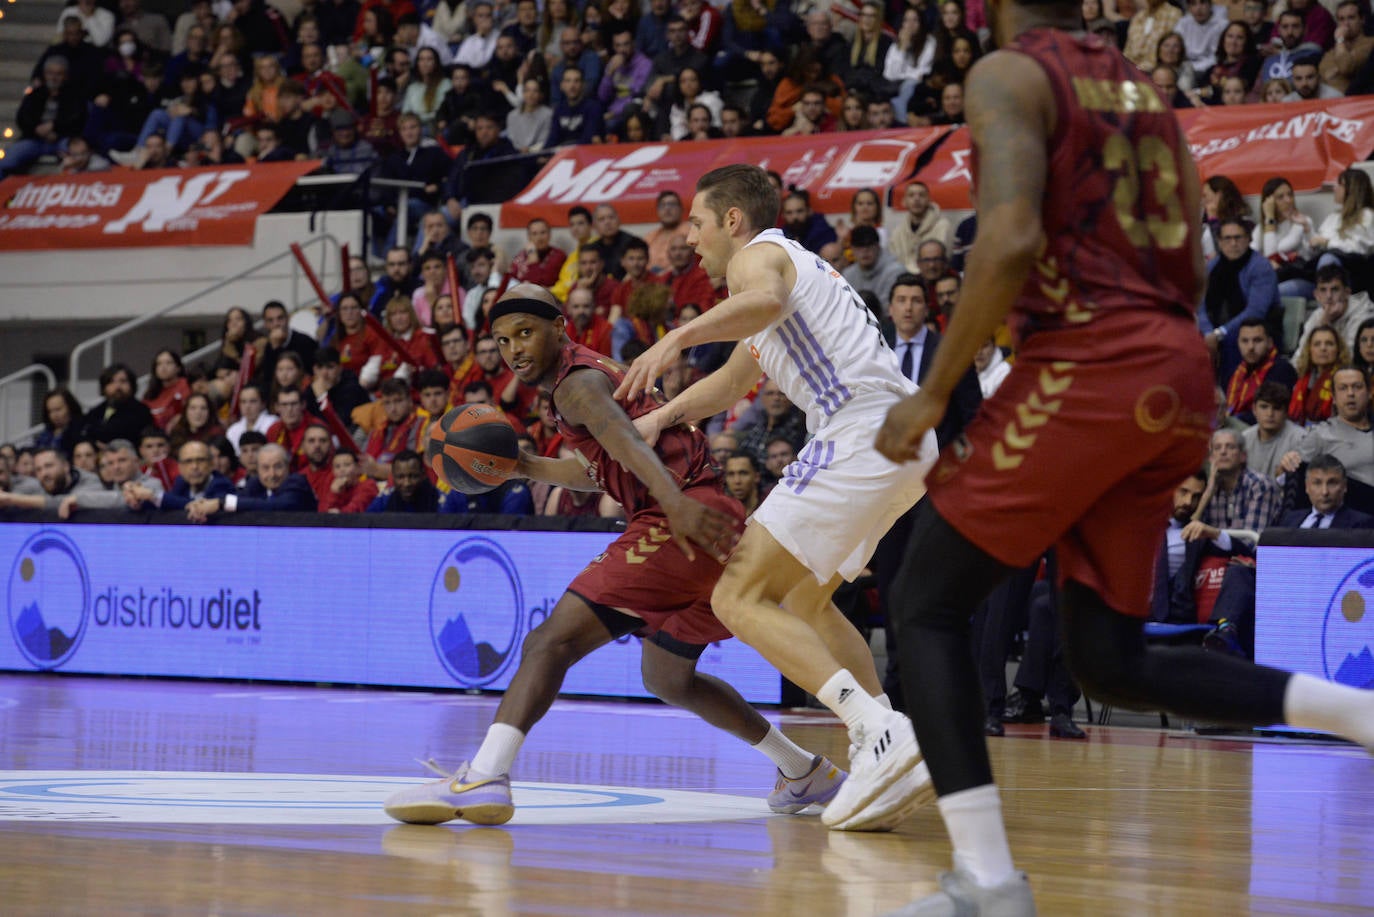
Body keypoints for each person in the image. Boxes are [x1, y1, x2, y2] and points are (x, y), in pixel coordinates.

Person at [866, 0, 1374, 909]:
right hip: (1175, 367)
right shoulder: (1142, 90)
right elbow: (1182, 262)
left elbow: (1010, 240)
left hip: (1091, 363)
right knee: (1108, 656)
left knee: (924, 599)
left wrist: (934, 390)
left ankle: (986, 881)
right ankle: (1360, 713)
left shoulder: (1010, 73)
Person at [383, 284, 845, 826]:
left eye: (526, 333)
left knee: (548, 641)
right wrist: (530, 467)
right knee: (668, 677)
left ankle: (486, 774)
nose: (515, 350)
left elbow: (624, 437)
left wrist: (673, 503)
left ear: (560, 327)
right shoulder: (584, 375)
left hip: (680, 521)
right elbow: (603, 461)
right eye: (503, 341)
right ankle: (802, 770)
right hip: (702, 519)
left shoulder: (575, 386)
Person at [618, 165, 940, 833]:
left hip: (858, 429)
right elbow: (737, 378)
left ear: (732, 220)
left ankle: (878, 728)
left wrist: (675, 336)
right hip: (904, 440)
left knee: (738, 595)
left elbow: (759, 301)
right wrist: (663, 417)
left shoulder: (758, 256)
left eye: (699, 226)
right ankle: (883, 744)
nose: (694, 243)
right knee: (801, 598)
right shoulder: (789, 280)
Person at [187, 443, 318, 519]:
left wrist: (220, 503)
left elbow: (275, 507)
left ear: (288, 467)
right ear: (258, 470)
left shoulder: (297, 484)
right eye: (265, 468)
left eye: (278, 467)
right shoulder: (255, 484)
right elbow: (239, 499)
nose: (272, 474)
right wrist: (200, 506)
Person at [1225, 319, 1297, 425]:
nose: (1251, 347)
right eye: (1245, 341)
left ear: (1269, 343)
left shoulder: (1282, 370)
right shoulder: (1237, 370)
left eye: (1257, 340)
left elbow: (1270, 413)